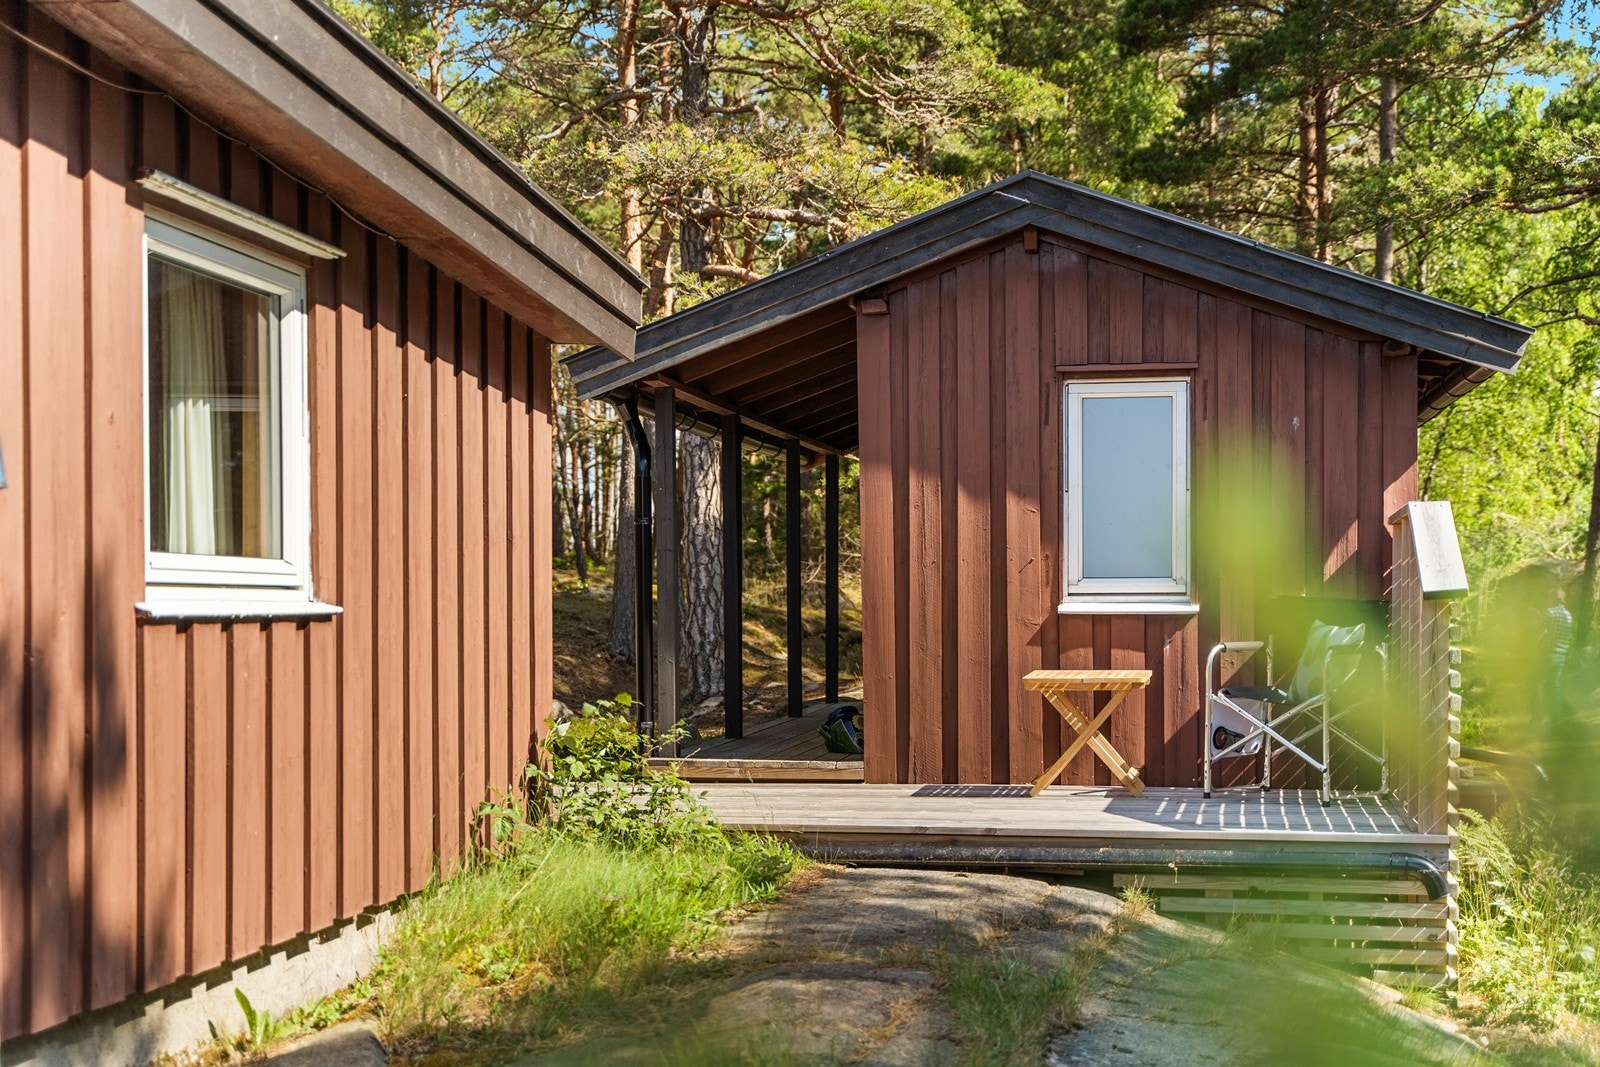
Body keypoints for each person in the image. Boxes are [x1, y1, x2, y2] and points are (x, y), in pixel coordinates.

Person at [1540, 587, 1573, 719]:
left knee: (1538, 683)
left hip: (1547, 653)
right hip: (1561, 655)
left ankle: (1538, 716)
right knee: (1555, 684)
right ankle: (1557, 717)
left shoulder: (1549, 613)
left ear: (1553, 598)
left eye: (1549, 597)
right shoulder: (1569, 615)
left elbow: (1538, 630)